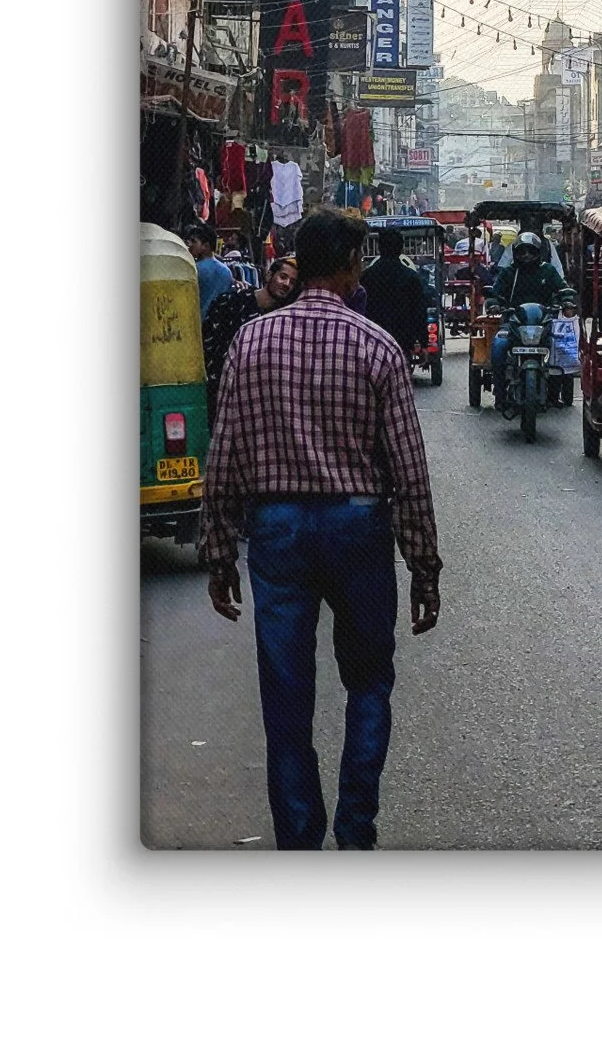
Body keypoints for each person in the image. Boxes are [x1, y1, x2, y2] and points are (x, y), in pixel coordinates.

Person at [200, 207, 441, 851]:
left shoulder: (251, 342)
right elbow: (407, 468)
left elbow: (224, 453)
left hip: (275, 529)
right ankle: (355, 829)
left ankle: (299, 840)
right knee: (368, 683)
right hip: (358, 527)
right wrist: (424, 564)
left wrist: (218, 550)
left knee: (285, 694)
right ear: (350, 266)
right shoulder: (376, 347)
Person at [200, 254, 300, 423]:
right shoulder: (232, 302)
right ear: (269, 275)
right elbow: (208, 346)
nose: (286, 284)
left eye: (292, 282)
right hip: (223, 393)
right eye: (283, 277)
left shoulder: (283, 318)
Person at [489, 231, 570, 381]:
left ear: (538, 252)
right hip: (513, 322)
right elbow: (495, 293)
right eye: (522, 251)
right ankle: (500, 394)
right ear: (515, 253)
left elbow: (563, 289)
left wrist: (567, 300)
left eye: (530, 251)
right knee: (498, 347)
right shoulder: (509, 272)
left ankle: (558, 388)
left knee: (563, 347)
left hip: (545, 322)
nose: (526, 255)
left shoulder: (548, 271)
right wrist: (494, 304)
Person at [355, 228, 431, 359]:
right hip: (402, 343)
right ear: (401, 249)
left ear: (379, 248)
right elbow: (419, 312)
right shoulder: (411, 278)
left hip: (372, 342)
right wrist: (422, 343)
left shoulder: (366, 277)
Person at [184, 222, 233, 319]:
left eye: (194, 241)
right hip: (219, 324)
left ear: (205, 246)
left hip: (197, 323)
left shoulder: (194, 269)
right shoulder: (227, 272)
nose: (190, 245)